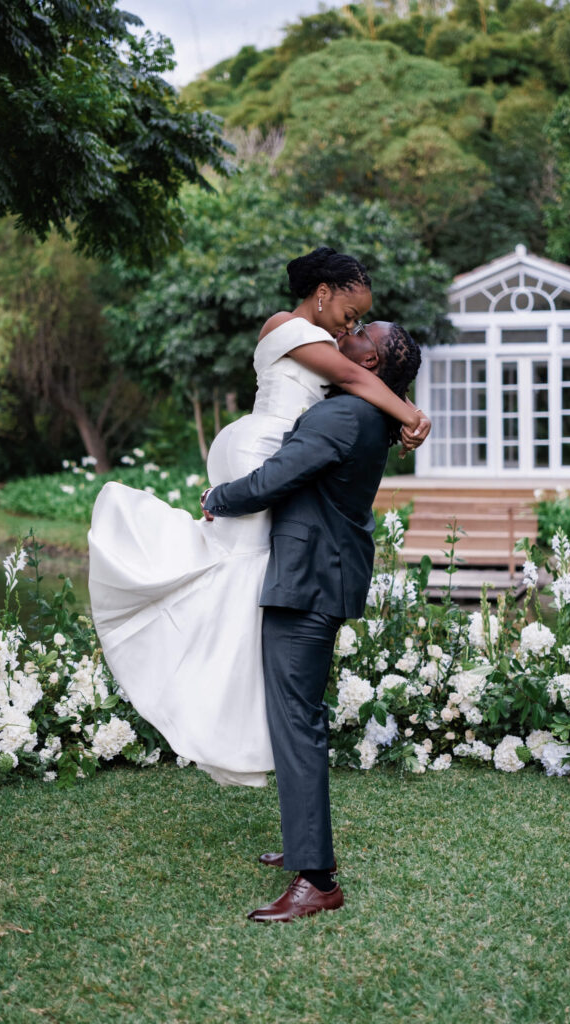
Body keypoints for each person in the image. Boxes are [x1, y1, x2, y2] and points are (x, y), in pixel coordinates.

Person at [88, 247, 429, 787]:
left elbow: (358, 382)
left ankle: (227, 705)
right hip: (261, 451)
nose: (352, 325)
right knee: (233, 586)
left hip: (262, 449)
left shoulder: (322, 341)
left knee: (237, 588)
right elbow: (361, 379)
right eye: (351, 313)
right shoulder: (289, 327)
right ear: (324, 293)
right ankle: (202, 695)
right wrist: (411, 415)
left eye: (361, 322)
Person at [201, 320, 418, 922]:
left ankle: (317, 879)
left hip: (309, 580)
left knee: (298, 722)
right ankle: (304, 845)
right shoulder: (365, 414)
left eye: (361, 332)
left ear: (372, 361)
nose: (347, 332)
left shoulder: (344, 417)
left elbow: (276, 479)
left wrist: (218, 498)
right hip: (319, 572)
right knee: (296, 717)